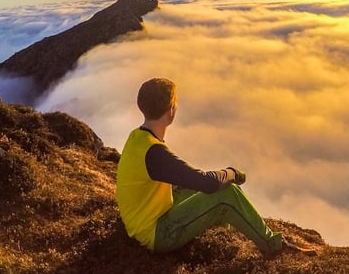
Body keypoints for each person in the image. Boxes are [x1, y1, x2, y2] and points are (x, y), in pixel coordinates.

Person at [116, 77, 315, 257]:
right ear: (171, 110)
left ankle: (220, 236)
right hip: (157, 234)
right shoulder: (154, 152)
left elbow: (192, 180)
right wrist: (233, 173)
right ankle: (275, 247)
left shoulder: (138, 138)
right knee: (226, 192)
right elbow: (209, 183)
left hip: (144, 220)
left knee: (193, 186)